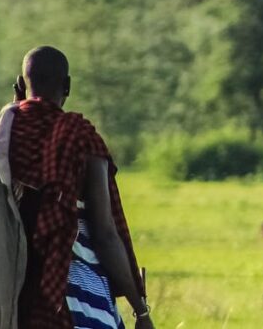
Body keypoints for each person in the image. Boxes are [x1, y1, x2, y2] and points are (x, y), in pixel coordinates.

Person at [9, 46, 154, 329]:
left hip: (15, 296)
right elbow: (105, 235)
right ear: (68, 86)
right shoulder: (79, 138)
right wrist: (141, 310)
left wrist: (14, 109)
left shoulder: (1, 139)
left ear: (21, 83)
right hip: (78, 300)